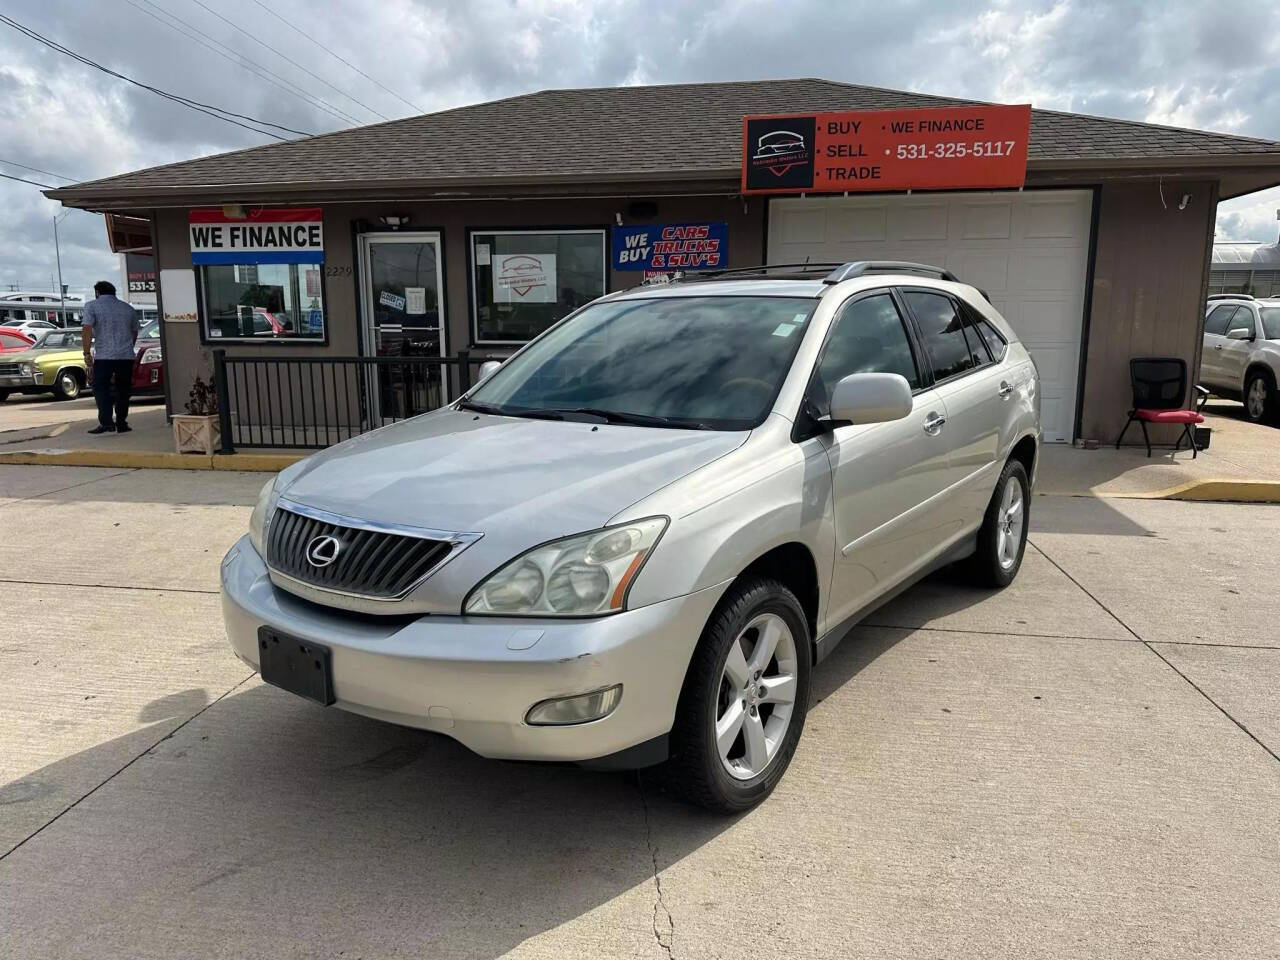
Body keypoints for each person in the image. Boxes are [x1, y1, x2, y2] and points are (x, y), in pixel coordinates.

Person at [82, 280, 140, 434]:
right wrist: (127, 346)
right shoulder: (128, 308)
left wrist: (86, 352)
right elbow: (134, 331)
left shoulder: (91, 306)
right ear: (114, 292)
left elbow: (87, 328)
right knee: (123, 390)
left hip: (104, 356)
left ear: (97, 292)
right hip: (126, 356)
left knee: (100, 388)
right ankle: (121, 423)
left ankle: (107, 422)